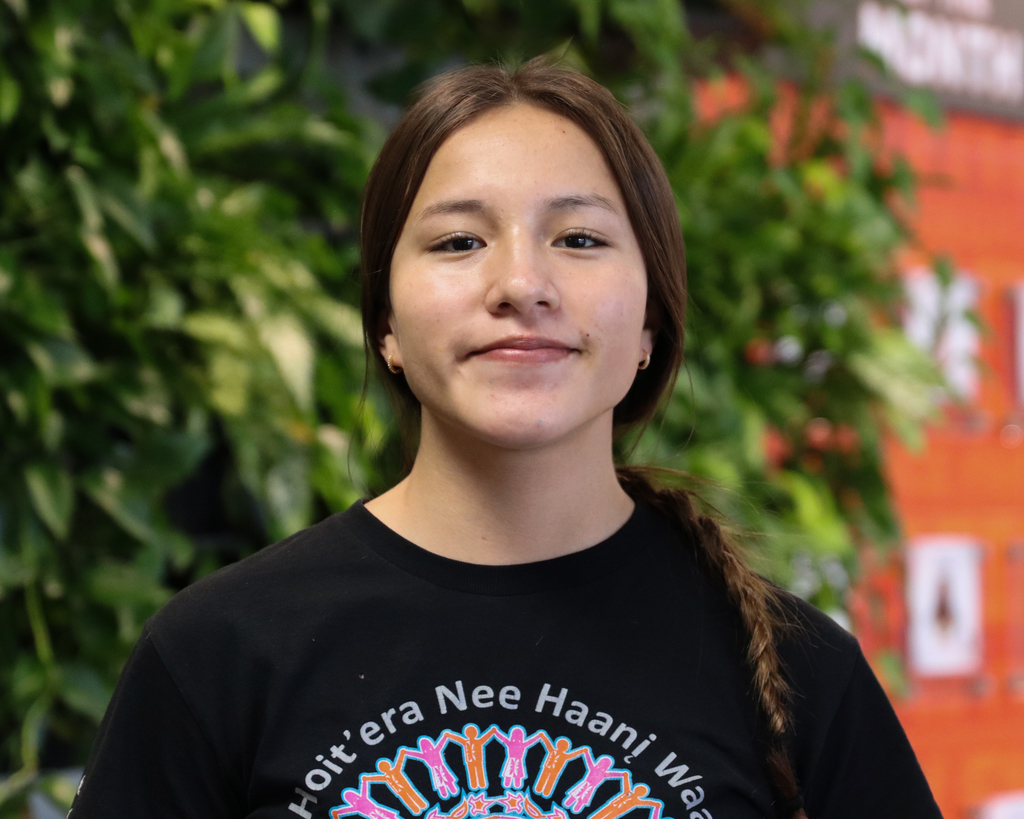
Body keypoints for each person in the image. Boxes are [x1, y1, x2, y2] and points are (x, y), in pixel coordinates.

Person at [69, 59, 943, 819]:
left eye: (579, 237)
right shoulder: (215, 654)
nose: (521, 282)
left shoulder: (797, 672)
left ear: (649, 323)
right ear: (386, 324)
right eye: (458, 240)